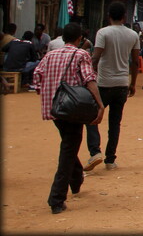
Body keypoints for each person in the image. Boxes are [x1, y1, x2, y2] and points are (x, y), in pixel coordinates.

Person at [32, 22, 105, 215]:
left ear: (63, 37)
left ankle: (76, 179)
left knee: (68, 144)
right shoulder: (81, 54)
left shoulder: (50, 54)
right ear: (80, 39)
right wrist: (99, 105)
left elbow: (37, 76)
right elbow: (89, 80)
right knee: (68, 149)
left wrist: (47, 92)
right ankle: (56, 198)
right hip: (73, 110)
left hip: (55, 109)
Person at [84, 1, 140, 172]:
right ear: (124, 17)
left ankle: (95, 151)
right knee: (115, 123)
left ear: (109, 16)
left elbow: (95, 57)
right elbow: (135, 62)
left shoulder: (103, 33)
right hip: (122, 83)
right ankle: (110, 159)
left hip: (103, 83)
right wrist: (132, 84)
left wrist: (89, 76)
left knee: (92, 117)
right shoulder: (133, 35)